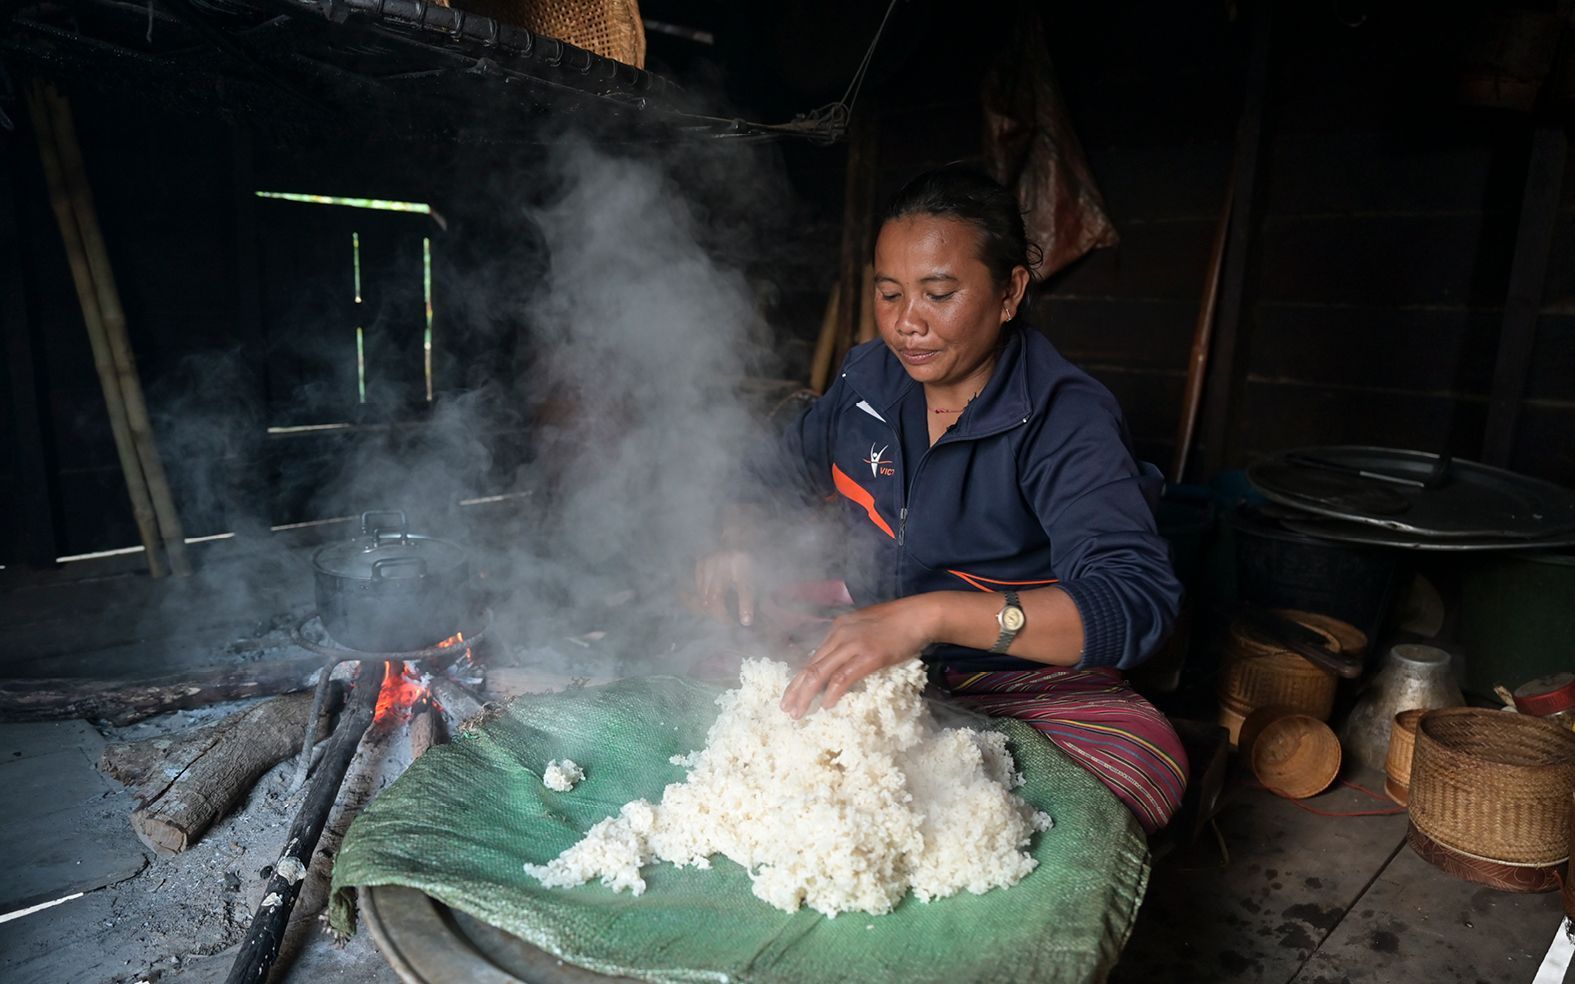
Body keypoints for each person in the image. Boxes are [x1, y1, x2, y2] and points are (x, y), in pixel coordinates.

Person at [697, 166, 1188, 834]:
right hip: (881, 664)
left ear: (1009, 292)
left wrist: (929, 616)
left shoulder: (1062, 419)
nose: (907, 323)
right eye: (889, 293)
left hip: (1018, 682)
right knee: (709, 698)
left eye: (938, 294)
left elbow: (1133, 601)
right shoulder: (868, 383)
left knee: (1138, 767)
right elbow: (766, 477)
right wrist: (737, 543)